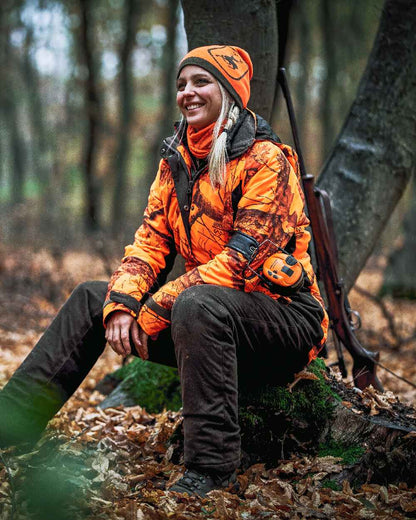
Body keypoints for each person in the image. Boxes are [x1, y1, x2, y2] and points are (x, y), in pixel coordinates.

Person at [0, 45, 328, 497]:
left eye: (201, 82)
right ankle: (11, 425)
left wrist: (153, 310)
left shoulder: (265, 159)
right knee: (93, 298)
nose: (187, 93)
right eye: (181, 84)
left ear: (230, 92)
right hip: (208, 319)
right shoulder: (176, 159)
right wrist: (122, 304)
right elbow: (150, 242)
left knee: (196, 302)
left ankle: (211, 469)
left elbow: (241, 262)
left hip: (284, 320)